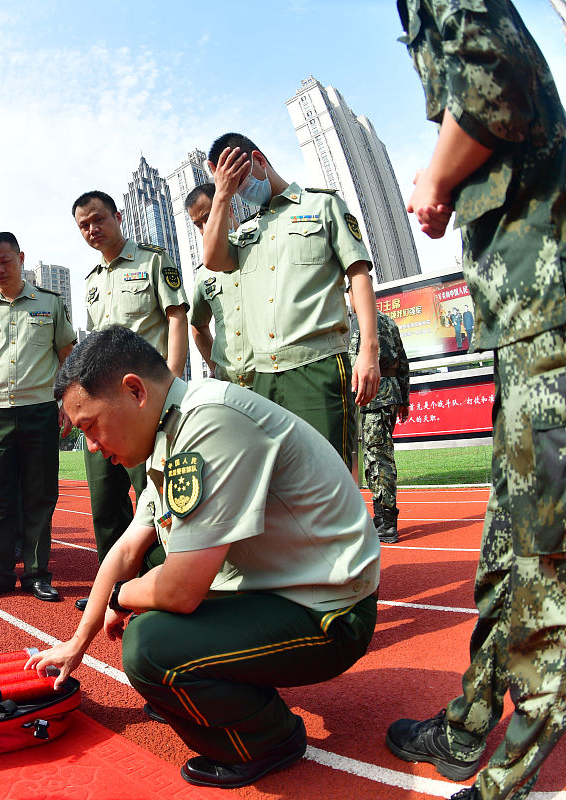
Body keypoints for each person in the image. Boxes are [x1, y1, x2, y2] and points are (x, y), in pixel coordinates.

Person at [28, 326, 379, 788]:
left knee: (150, 646)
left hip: (331, 613)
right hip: (278, 590)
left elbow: (180, 590)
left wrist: (121, 598)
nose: (92, 446)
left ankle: (268, 739)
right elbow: (127, 549)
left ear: (134, 391)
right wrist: (78, 642)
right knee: (154, 587)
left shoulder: (210, 421)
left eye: (91, 426)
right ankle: (220, 687)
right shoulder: (170, 431)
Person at [385, 4, 566, 799]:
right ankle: (467, 727)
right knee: (506, 553)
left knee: (544, 565)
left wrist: (436, 179)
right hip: (528, 322)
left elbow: (496, 80)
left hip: (551, 315)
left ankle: (509, 782)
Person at [203, 132, 381, 467]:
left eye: (241, 181)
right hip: (262, 377)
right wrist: (222, 194)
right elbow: (211, 259)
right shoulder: (246, 232)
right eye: (233, 187)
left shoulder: (322, 205)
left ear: (258, 160)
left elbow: (359, 274)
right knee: (279, 486)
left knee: (329, 479)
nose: (241, 192)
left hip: (318, 366)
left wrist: (369, 351)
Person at [72, 190, 186, 609]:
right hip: (104, 406)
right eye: (84, 226)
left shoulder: (152, 261)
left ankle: (160, 586)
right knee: (105, 500)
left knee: (156, 498)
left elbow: (176, 317)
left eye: (98, 219)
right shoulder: (90, 282)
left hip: (144, 403)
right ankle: (113, 590)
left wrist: (171, 383)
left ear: (118, 216)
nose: (92, 230)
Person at [0, 232, 76, 602]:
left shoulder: (49, 303)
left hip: (40, 410)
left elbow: (67, 356)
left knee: (40, 495)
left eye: (4, 261)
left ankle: (37, 574)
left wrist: (69, 403)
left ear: (21, 258)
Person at [349, 302, 409, 543]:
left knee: (377, 458)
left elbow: (352, 359)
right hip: (390, 392)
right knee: (379, 455)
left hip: (374, 394)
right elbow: (403, 361)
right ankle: (383, 516)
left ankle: (386, 520)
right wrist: (404, 399)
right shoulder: (389, 321)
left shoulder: (360, 323)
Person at [185, 183, 255, 388]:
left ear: (229, 209)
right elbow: (198, 325)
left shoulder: (258, 247)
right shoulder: (204, 272)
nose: (205, 229)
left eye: (208, 217)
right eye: (198, 224)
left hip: (272, 375)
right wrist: (215, 367)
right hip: (232, 384)